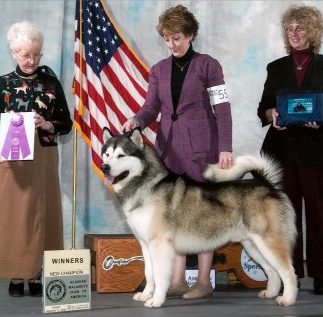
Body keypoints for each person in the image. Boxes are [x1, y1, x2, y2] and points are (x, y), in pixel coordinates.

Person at [122, 4, 233, 299]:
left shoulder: (209, 65)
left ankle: (205, 282)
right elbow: (150, 108)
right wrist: (137, 119)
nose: (171, 44)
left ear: (191, 35)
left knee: (203, 213)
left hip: (202, 147)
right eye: (167, 39)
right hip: (168, 150)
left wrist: (225, 148)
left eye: (177, 38)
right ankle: (178, 280)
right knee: (173, 214)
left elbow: (222, 109)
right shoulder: (158, 70)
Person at [257, 5, 323, 295]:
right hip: (283, 154)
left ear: (313, 32)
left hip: (320, 155)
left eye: (300, 28)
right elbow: (263, 107)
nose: (294, 33)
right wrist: (271, 113)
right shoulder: (276, 67)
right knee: (287, 218)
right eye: (290, 28)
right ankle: (291, 274)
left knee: (320, 216)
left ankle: (321, 276)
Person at [0, 21, 72, 297]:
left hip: (44, 152)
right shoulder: (3, 84)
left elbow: (65, 123)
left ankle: (36, 274)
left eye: (37, 54)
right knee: (15, 215)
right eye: (26, 55)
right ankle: (17, 273)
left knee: (45, 212)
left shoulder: (51, 82)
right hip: (13, 155)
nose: (32, 60)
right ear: (14, 53)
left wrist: (46, 124)